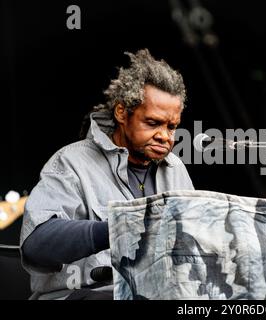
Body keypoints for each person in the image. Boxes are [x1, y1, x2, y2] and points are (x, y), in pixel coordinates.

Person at [19, 49, 194, 300]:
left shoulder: (175, 169)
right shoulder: (71, 162)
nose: (165, 136)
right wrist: (122, 226)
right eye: (153, 123)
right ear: (122, 113)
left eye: (172, 126)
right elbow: (36, 246)